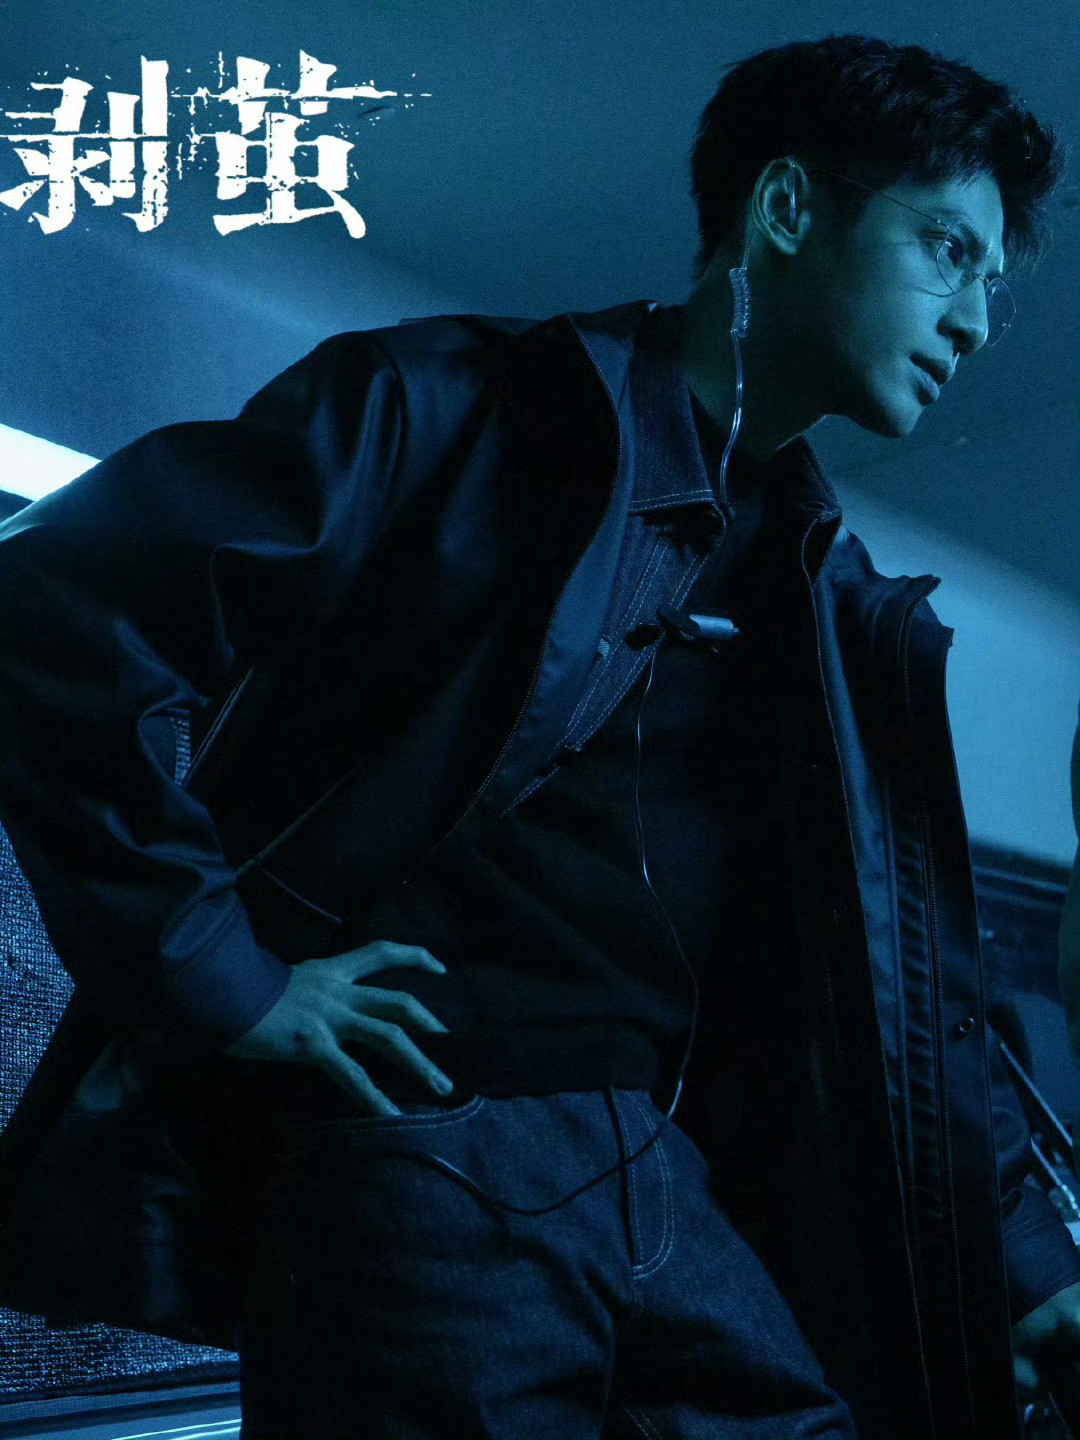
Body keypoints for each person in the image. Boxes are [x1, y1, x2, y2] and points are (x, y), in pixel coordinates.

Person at [0, 32, 1076, 1440]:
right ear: (787, 208)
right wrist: (228, 979)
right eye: (948, 250)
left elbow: (897, 977)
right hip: (432, 1137)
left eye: (993, 280)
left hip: (668, 1164)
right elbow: (51, 618)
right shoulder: (449, 410)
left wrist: (1030, 1267)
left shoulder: (832, 598)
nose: (977, 321)